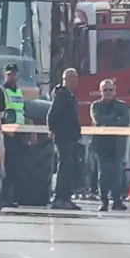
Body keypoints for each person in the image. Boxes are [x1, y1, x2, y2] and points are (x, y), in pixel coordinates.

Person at [90, 79, 130, 212]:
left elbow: (124, 121)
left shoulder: (122, 106)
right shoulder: (95, 105)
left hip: (117, 145)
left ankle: (117, 201)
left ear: (115, 91)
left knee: (117, 174)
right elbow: (98, 119)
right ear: (100, 91)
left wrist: (108, 120)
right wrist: (114, 118)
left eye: (110, 90)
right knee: (103, 174)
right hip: (101, 145)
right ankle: (103, 201)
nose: (108, 92)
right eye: (105, 90)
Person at [48, 68, 82, 211]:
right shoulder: (61, 95)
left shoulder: (70, 95)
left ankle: (66, 197)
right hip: (64, 137)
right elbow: (52, 115)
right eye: (73, 78)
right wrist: (54, 130)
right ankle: (60, 198)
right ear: (66, 79)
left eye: (76, 77)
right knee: (65, 168)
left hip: (71, 137)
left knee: (70, 168)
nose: (76, 80)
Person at [0, 63, 25, 206]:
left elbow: (21, 112)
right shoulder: (1, 91)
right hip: (7, 134)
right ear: (5, 75)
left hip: (19, 132)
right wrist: (6, 128)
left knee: (15, 167)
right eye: (9, 74)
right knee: (6, 166)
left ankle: (10, 196)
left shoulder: (19, 92)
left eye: (14, 74)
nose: (12, 76)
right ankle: (3, 196)